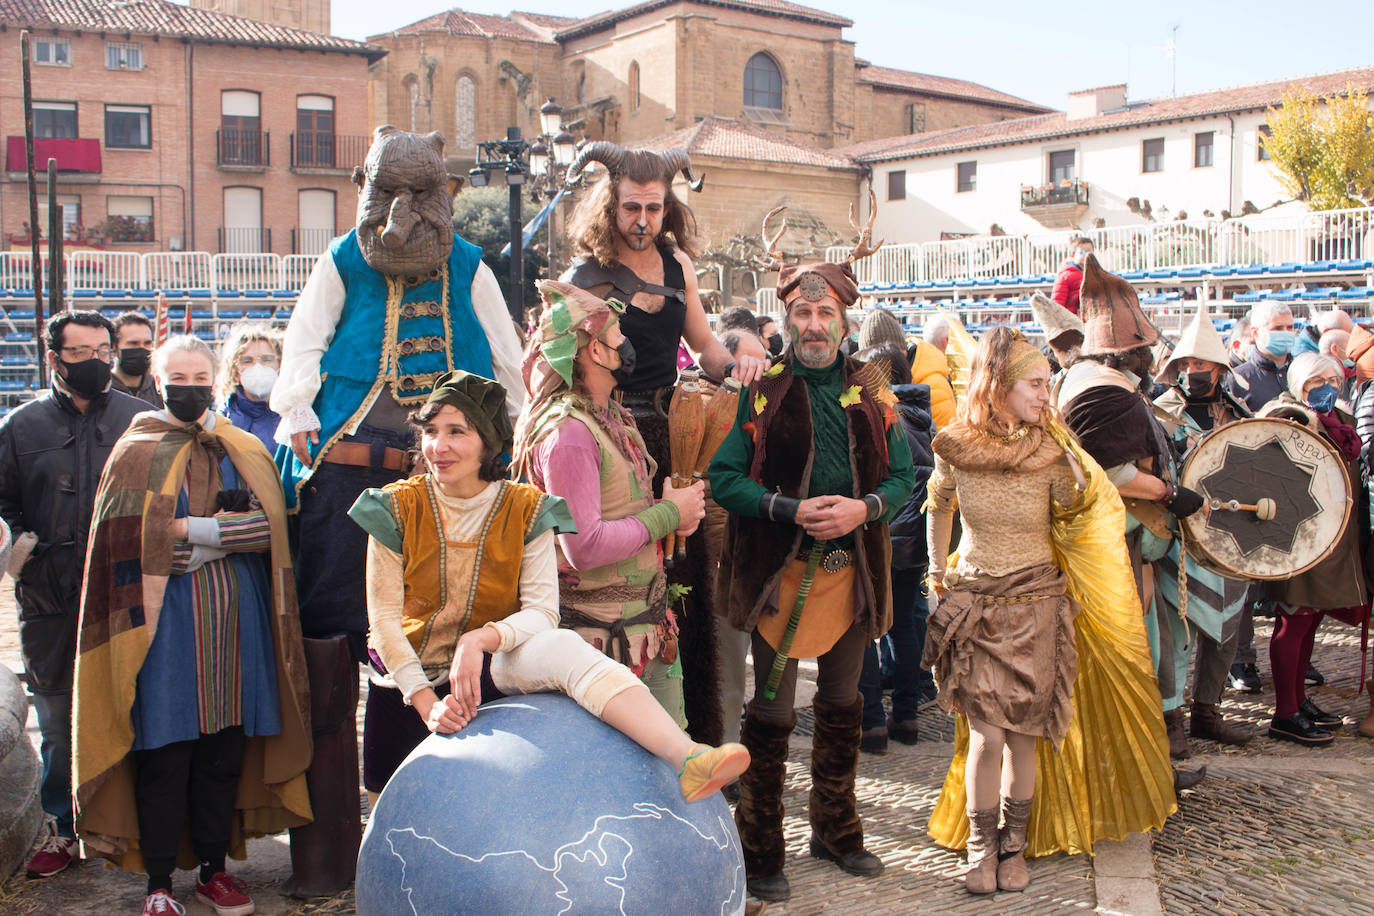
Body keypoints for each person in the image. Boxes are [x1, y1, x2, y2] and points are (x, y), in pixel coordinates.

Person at [269, 126, 525, 895]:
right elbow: (303, 343)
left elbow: (509, 364)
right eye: (393, 193)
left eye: (421, 194)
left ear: (441, 196)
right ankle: (323, 864)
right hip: (343, 484)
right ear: (371, 191)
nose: (406, 209)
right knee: (327, 662)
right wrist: (294, 412)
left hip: (439, 489)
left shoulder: (471, 264)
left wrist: (501, 444)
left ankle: (427, 853)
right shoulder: (344, 256)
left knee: (427, 655)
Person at [351, 368, 748, 805]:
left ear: (487, 440)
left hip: (489, 666)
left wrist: (481, 639)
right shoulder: (393, 507)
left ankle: (688, 758)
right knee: (392, 820)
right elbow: (384, 623)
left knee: (562, 648)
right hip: (407, 683)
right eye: (430, 431)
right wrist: (428, 703)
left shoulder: (529, 510)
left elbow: (542, 612)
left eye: (456, 432)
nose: (438, 446)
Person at [923, 325, 1175, 894]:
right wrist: (938, 570)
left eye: (1046, 384)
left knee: (1024, 738)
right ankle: (982, 848)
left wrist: (1075, 463)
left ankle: (1015, 846)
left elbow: (1085, 513)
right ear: (999, 385)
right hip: (978, 606)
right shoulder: (955, 445)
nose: (1045, 393)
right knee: (987, 738)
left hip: (1037, 607)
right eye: (1035, 384)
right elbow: (936, 505)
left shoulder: (1049, 448)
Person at [73, 335, 312, 916]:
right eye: (176, 376)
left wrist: (191, 533)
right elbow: (129, 544)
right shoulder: (137, 448)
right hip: (161, 629)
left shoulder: (242, 444)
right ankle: (158, 883)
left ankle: (214, 871)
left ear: (214, 378)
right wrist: (198, 540)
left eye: (198, 375)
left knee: (223, 751)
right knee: (164, 748)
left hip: (236, 623)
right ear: (159, 381)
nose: (188, 386)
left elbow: (270, 530)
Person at [710, 246, 915, 903]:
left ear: (845, 322)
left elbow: (907, 478)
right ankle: (760, 846)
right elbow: (723, 479)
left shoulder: (869, 391)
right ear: (788, 320)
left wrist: (864, 507)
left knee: (843, 705)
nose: (815, 324)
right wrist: (789, 509)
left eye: (826, 311)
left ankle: (835, 829)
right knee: (769, 712)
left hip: (852, 574)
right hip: (780, 577)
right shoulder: (762, 392)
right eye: (803, 312)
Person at [561, 143, 767, 743]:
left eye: (654, 207)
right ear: (610, 204)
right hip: (603, 436)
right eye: (632, 207)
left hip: (671, 436)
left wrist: (739, 368)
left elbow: (704, 346)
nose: (644, 220)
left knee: (684, 575)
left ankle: (696, 736)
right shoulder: (585, 276)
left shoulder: (678, 267)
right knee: (617, 583)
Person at [515, 280, 706, 726]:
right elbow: (582, 547)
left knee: (664, 772)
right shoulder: (570, 435)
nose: (627, 342)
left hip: (646, 630)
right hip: (599, 648)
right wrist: (668, 513)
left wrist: (672, 513)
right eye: (617, 334)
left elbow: (621, 511)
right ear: (595, 351)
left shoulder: (608, 416)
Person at [0, 311, 146, 879]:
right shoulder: (20, 427)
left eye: (102, 350)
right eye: (79, 352)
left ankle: (132, 826)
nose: (95, 361)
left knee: (133, 709)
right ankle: (62, 827)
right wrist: (25, 554)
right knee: (57, 718)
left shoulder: (142, 420)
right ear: (53, 357)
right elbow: (5, 505)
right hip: (50, 601)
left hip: (126, 593)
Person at [1057, 254, 1206, 791]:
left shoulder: (1086, 377)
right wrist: (1169, 491)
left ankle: (1145, 769)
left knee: (1140, 656)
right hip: (1112, 547)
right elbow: (1114, 473)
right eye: (1143, 349)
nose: (1148, 357)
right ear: (1130, 349)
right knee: (1129, 659)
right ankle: (1136, 777)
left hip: (1116, 545)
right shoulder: (1102, 389)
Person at [1151, 306, 1255, 756]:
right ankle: (1171, 719)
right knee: (1175, 630)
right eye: (1188, 365)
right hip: (1179, 532)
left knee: (1228, 625)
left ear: (1219, 368)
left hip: (1230, 533)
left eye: (1203, 365)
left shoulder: (1237, 412)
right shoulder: (1160, 412)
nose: (1194, 371)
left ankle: (1208, 713)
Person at [1256, 352, 1370, 746]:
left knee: (1310, 622)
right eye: (1314, 381)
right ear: (1298, 385)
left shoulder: (1343, 422)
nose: (1325, 387)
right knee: (1293, 621)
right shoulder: (1286, 418)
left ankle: (1299, 701)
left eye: (1332, 379)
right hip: (1299, 541)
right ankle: (1284, 713)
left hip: (1334, 541)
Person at [854, 343, 935, 754]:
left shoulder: (877, 415)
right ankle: (907, 715)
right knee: (905, 627)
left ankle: (870, 722)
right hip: (915, 544)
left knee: (866, 628)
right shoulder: (923, 415)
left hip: (880, 537)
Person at [1224, 299, 1295, 694]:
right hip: (1250, 491)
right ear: (1255, 332)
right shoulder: (1240, 380)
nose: (1287, 332)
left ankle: (1293, 661)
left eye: (1290, 324)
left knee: (1286, 579)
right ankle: (1242, 660)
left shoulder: (1295, 375)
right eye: (1278, 325)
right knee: (1245, 583)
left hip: (1288, 489)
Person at [217, 323, 284, 452]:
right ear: (235, 373)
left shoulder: (294, 417)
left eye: (267, 359)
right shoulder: (222, 419)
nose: (258, 366)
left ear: (280, 366)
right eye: (247, 361)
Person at [110, 311, 164, 408]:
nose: (141, 348)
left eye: (147, 343)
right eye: (133, 343)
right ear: (114, 347)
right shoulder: (101, 389)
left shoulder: (160, 389)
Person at [1050, 235, 1093, 315]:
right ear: (1073, 255)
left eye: (1090, 252)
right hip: (1070, 321)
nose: (1087, 255)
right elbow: (1057, 303)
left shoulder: (1093, 275)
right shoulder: (1065, 276)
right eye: (1082, 252)